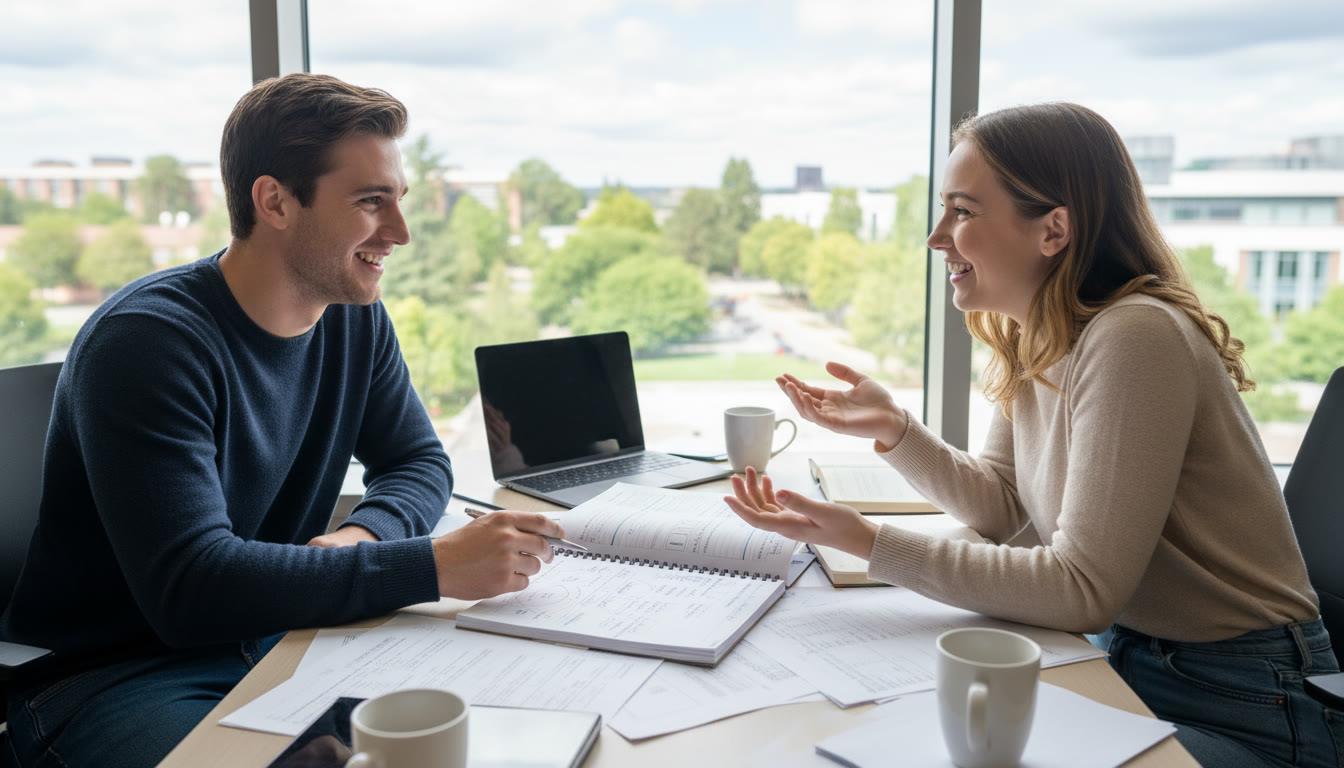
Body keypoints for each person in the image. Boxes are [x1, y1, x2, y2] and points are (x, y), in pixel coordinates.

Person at [725, 102, 1340, 767]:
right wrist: (898, 431)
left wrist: (864, 541)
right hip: (1127, 656)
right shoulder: (1037, 335)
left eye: (962, 211)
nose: (937, 237)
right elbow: (1006, 506)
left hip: (1249, 704)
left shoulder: (1137, 336)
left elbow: (1082, 586)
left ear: (1053, 230)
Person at [0, 73, 564, 768]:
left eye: (399, 201)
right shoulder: (147, 343)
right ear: (274, 201)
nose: (401, 233)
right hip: (116, 676)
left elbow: (418, 462)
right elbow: (192, 590)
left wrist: (362, 535)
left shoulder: (353, 320)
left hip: (280, 637)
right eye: (370, 202)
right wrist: (427, 565)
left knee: (501, 725)